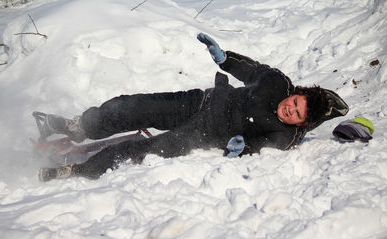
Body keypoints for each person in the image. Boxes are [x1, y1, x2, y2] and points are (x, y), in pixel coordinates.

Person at [38, 33, 349, 181]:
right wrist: (225, 58)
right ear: (295, 93)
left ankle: (77, 170)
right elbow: (252, 69)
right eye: (294, 103)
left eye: (296, 114)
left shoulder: (286, 136)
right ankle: (78, 127)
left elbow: (260, 147)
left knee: (141, 149)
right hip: (199, 101)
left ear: (300, 124)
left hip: (201, 133)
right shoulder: (278, 82)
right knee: (132, 107)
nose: (289, 109)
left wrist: (243, 147)